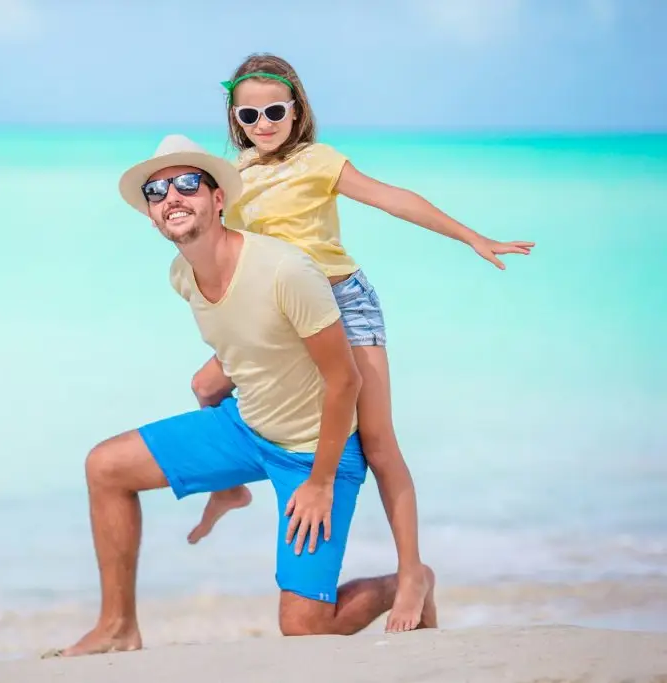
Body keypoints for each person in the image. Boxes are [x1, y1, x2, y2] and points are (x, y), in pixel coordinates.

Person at [184, 52, 534, 632]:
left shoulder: (317, 161)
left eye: (276, 110)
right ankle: (230, 489)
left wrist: (473, 237)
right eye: (250, 115)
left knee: (375, 440)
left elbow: (393, 197)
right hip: (279, 316)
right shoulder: (233, 177)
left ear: (297, 112)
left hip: (342, 305)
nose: (264, 122)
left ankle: (412, 571)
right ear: (235, 120)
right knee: (205, 385)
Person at [49, 134, 435, 659]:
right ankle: (117, 626)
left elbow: (345, 380)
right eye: (156, 192)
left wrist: (321, 482)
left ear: (218, 199)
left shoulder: (286, 271)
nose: (172, 197)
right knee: (106, 467)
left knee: (304, 627)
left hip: (315, 451)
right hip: (246, 427)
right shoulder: (181, 276)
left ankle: (404, 584)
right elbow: (244, 349)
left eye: (188, 183)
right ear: (150, 216)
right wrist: (215, 413)